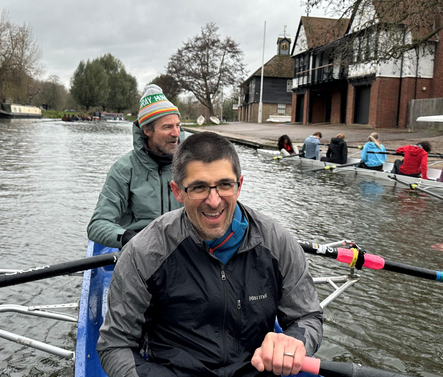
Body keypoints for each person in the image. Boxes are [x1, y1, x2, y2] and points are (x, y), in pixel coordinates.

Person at [96, 131, 323, 376]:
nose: (214, 201)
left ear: (240, 185)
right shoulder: (143, 252)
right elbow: (115, 345)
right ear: (177, 192)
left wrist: (295, 341)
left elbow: (308, 316)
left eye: (225, 185)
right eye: (199, 187)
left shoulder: (278, 242)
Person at [87, 84, 186, 248]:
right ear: (147, 130)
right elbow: (97, 225)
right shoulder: (123, 170)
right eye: (167, 127)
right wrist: (128, 238)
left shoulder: (191, 166)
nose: (176, 133)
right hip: (141, 252)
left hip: (183, 250)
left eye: (177, 125)